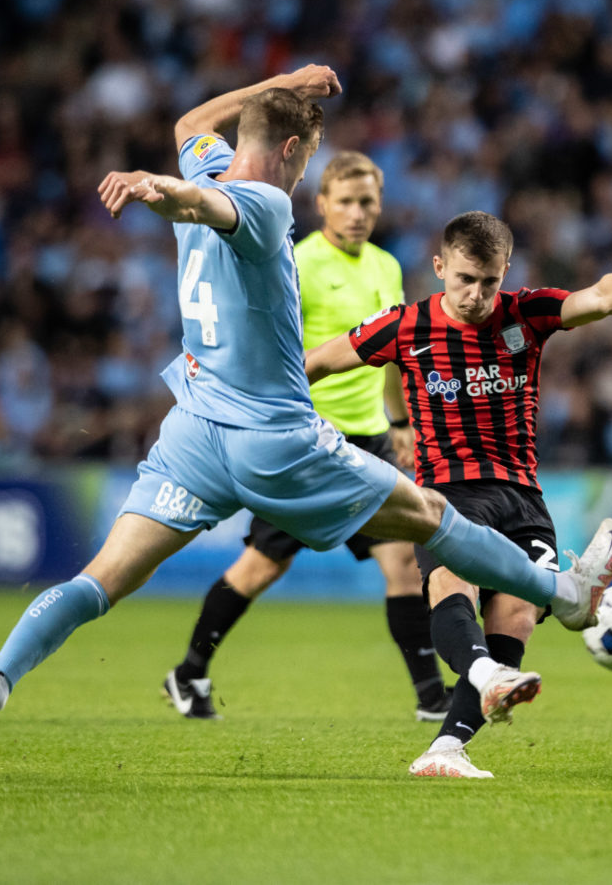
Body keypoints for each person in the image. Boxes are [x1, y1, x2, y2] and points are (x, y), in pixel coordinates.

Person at [0, 67, 612, 792]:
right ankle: (566, 595)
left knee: (98, 582)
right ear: (293, 149)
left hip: (193, 431)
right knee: (433, 516)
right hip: (276, 438)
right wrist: (160, 190)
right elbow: (208, 202)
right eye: (308, 160)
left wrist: (280, 84)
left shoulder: (209, 157)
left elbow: (189, 125)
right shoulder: (262, 203)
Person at [307, 212, 612, 778]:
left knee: (517, 616)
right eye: (463, 280)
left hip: (522, 494)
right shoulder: (404, 327)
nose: (476, 295)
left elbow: (599, 298)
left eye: (489, 282)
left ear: (506, 271)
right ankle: (561, 610)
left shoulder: (526, 312)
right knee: (452, 586)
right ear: (439, 268)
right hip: (448, 491)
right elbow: (317, 362)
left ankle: (445, 749)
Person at [161, 150, 451, 723]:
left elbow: (389, 353)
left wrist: (398, 423)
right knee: (262, 567)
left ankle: (429, 697)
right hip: (305, 439)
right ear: (320, 205)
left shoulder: (386, 267)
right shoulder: (296, 263)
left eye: (367, 201)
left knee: (402, 563)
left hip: (368, 438)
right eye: (345, 201)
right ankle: (189, 671)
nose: (357, 212)